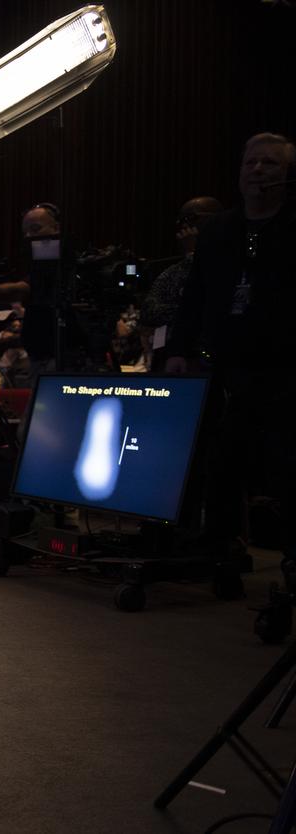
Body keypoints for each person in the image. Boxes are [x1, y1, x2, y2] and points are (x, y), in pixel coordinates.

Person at [167, 133, 295, 566]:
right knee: (221, 459)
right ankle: (220, 545)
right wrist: (178, 349)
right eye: (251, 163)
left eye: (271, 164)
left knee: (281, 462)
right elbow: (195, 294)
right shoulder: (220, 229)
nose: (258, 171)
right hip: (226, 362)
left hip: (282, 365)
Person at [140, 196, 223, 370]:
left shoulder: (229, 263)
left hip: (208, 358)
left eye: (192, 219)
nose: (184, 226)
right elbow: (150, 311)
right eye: (181, 220)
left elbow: (208, 306)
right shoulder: (174, 269)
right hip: (171, 358)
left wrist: (196, 255)